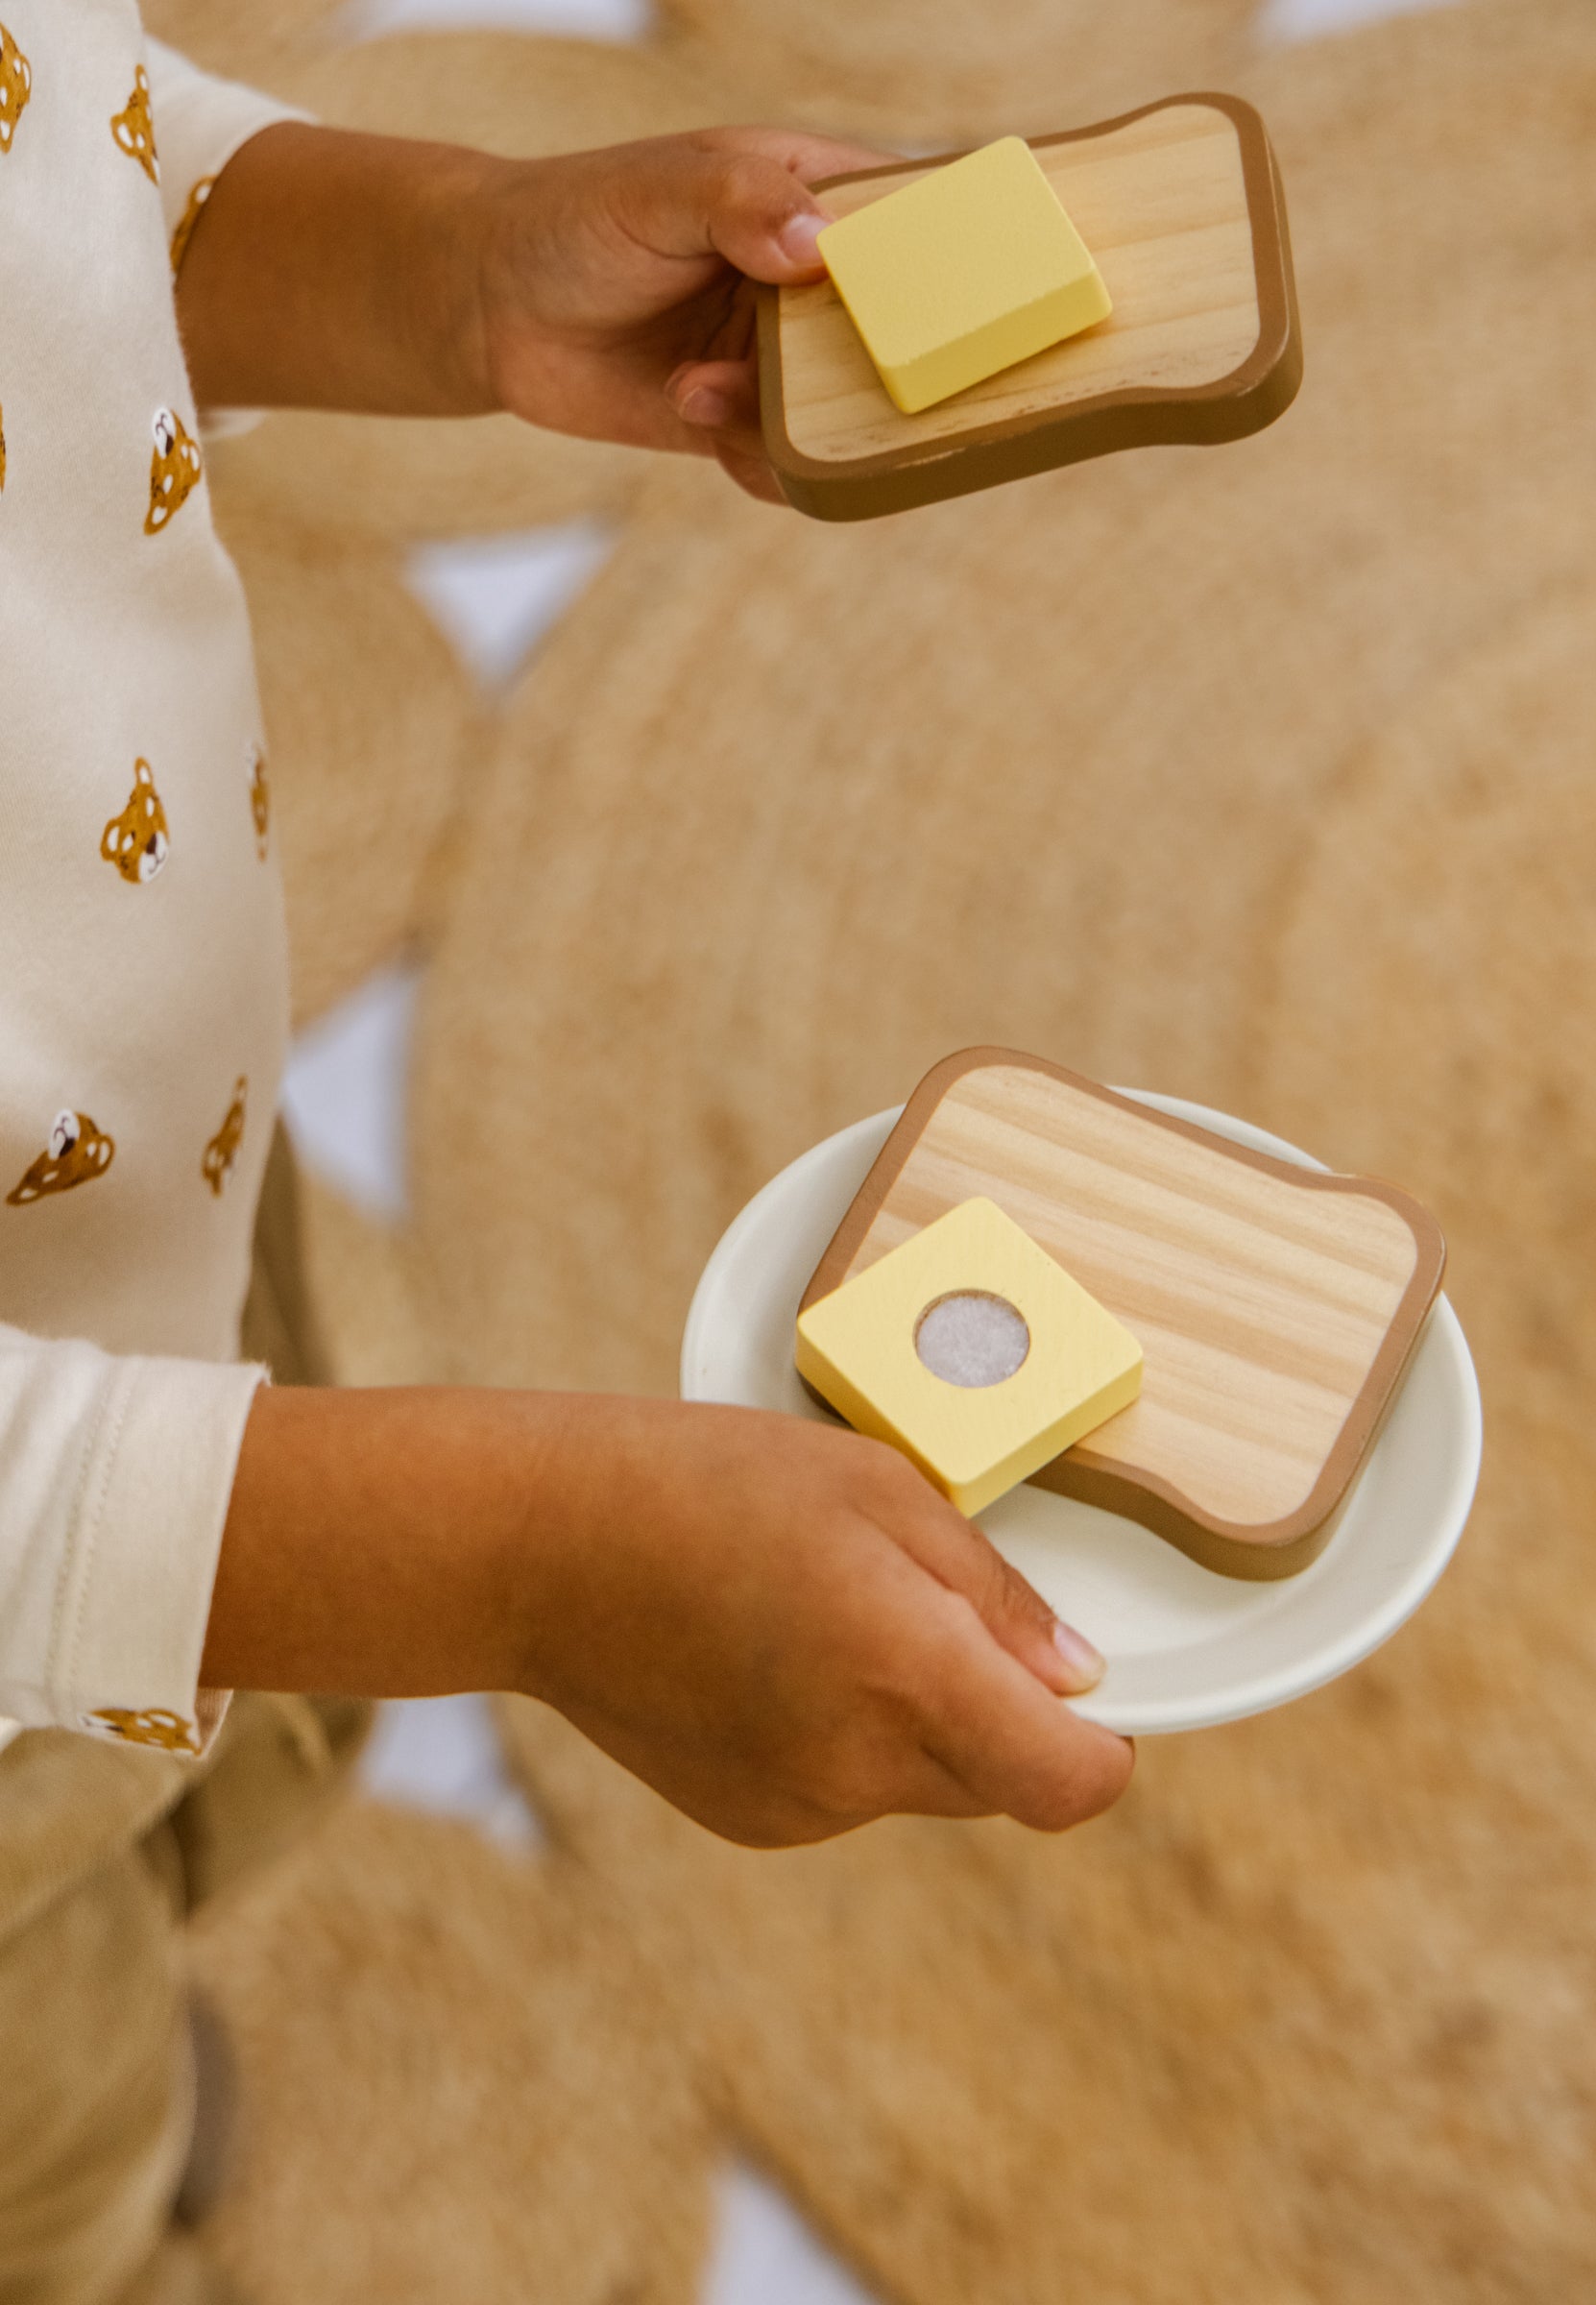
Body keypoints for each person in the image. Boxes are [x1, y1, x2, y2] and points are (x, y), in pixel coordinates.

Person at [0, 12, 1133, 2297]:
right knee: (55, 2086)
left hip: (137, 1184)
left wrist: (447, 260)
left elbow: (55, 170)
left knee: (227, 1745)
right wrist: (521, 1566)